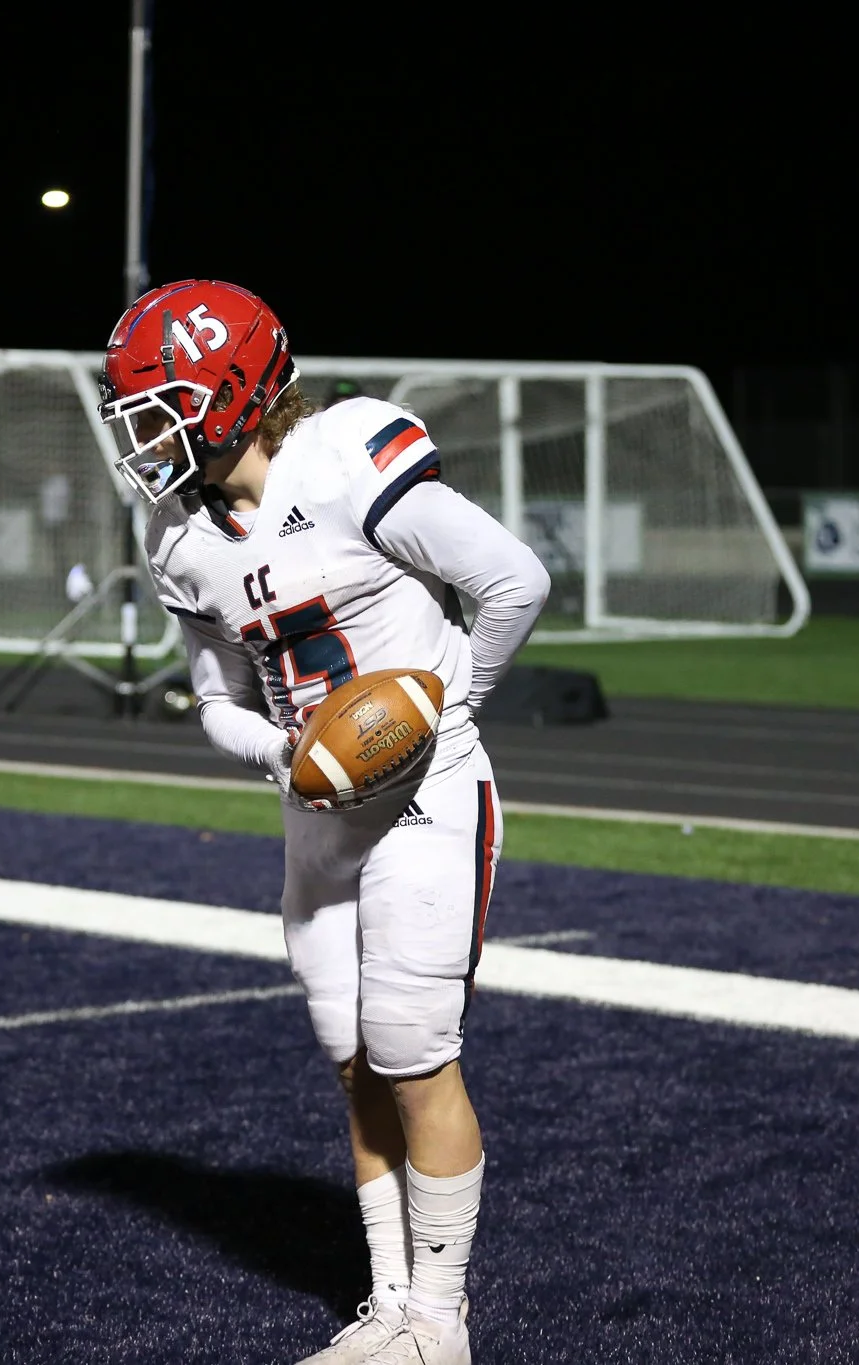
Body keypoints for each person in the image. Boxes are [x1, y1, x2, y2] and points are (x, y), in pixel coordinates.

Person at [98, 280, 549, 1365]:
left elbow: (513, 581)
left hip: (425, 797)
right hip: (317, 816)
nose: (139, 437)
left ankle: (439, 1326)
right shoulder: (180, 538)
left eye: (155, 409)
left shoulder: (347, 454)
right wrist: (289, 756)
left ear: (225, 394)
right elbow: (215, 702)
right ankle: (391, 1306)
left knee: (412, 1055)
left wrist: (442, 711)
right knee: (355, 1063)